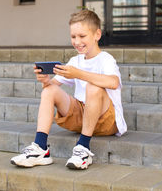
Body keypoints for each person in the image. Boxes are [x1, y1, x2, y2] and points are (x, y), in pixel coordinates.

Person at [10, 9, 127, 170]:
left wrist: (79, 74)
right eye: (73, 37)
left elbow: (113, 82)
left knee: (94, 86)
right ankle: (40, 148)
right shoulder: (75, 61)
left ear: (97, 35)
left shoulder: (106, 59)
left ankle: (83, 148)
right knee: (49, 91)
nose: (77, 41)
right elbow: (52, 88)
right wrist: (45, 81)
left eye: (82, 36)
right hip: (81, 117)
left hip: (106, 121)